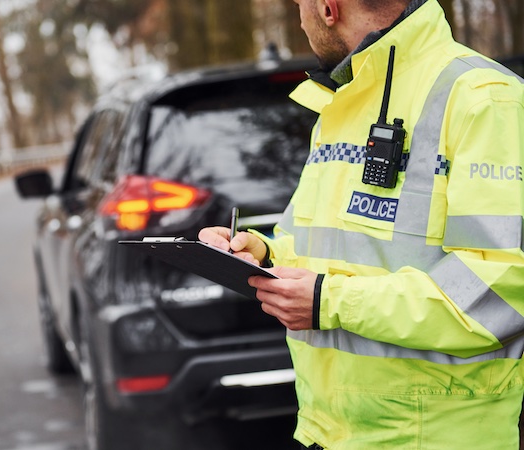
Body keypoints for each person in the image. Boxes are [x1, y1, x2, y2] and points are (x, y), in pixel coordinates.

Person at [199, 0, 524, 448]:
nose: (300, 18)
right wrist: (262, 253)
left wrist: (326, 300)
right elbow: (328, 249)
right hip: (328, 431)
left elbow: (500, 292)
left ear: (328, 8)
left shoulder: (485, 97)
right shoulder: (341, 102)